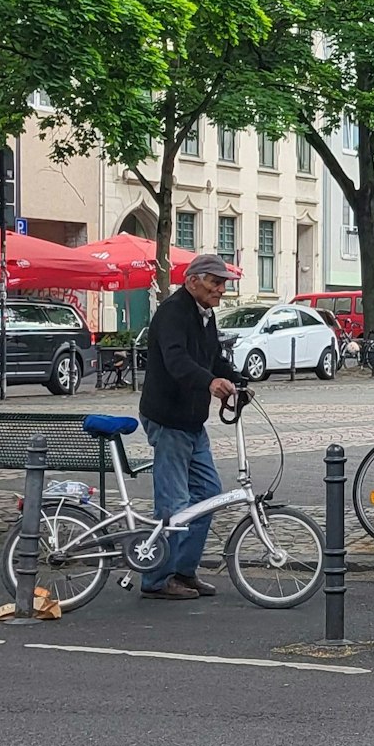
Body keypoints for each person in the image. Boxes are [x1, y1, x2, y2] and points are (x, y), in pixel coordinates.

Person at [137, 254, 242, 601]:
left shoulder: (205, 315)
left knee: (208, 497)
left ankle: (183, 571)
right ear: (192, 280)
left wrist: (236, 379)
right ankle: (156, 578)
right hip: (168, 419)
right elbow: (177, 361)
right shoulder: (172, 313)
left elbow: (212, 358)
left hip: (192, 422)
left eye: (223, 283)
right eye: (215, 281)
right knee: (174, 503)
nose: (221, 289)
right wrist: (210, 383)